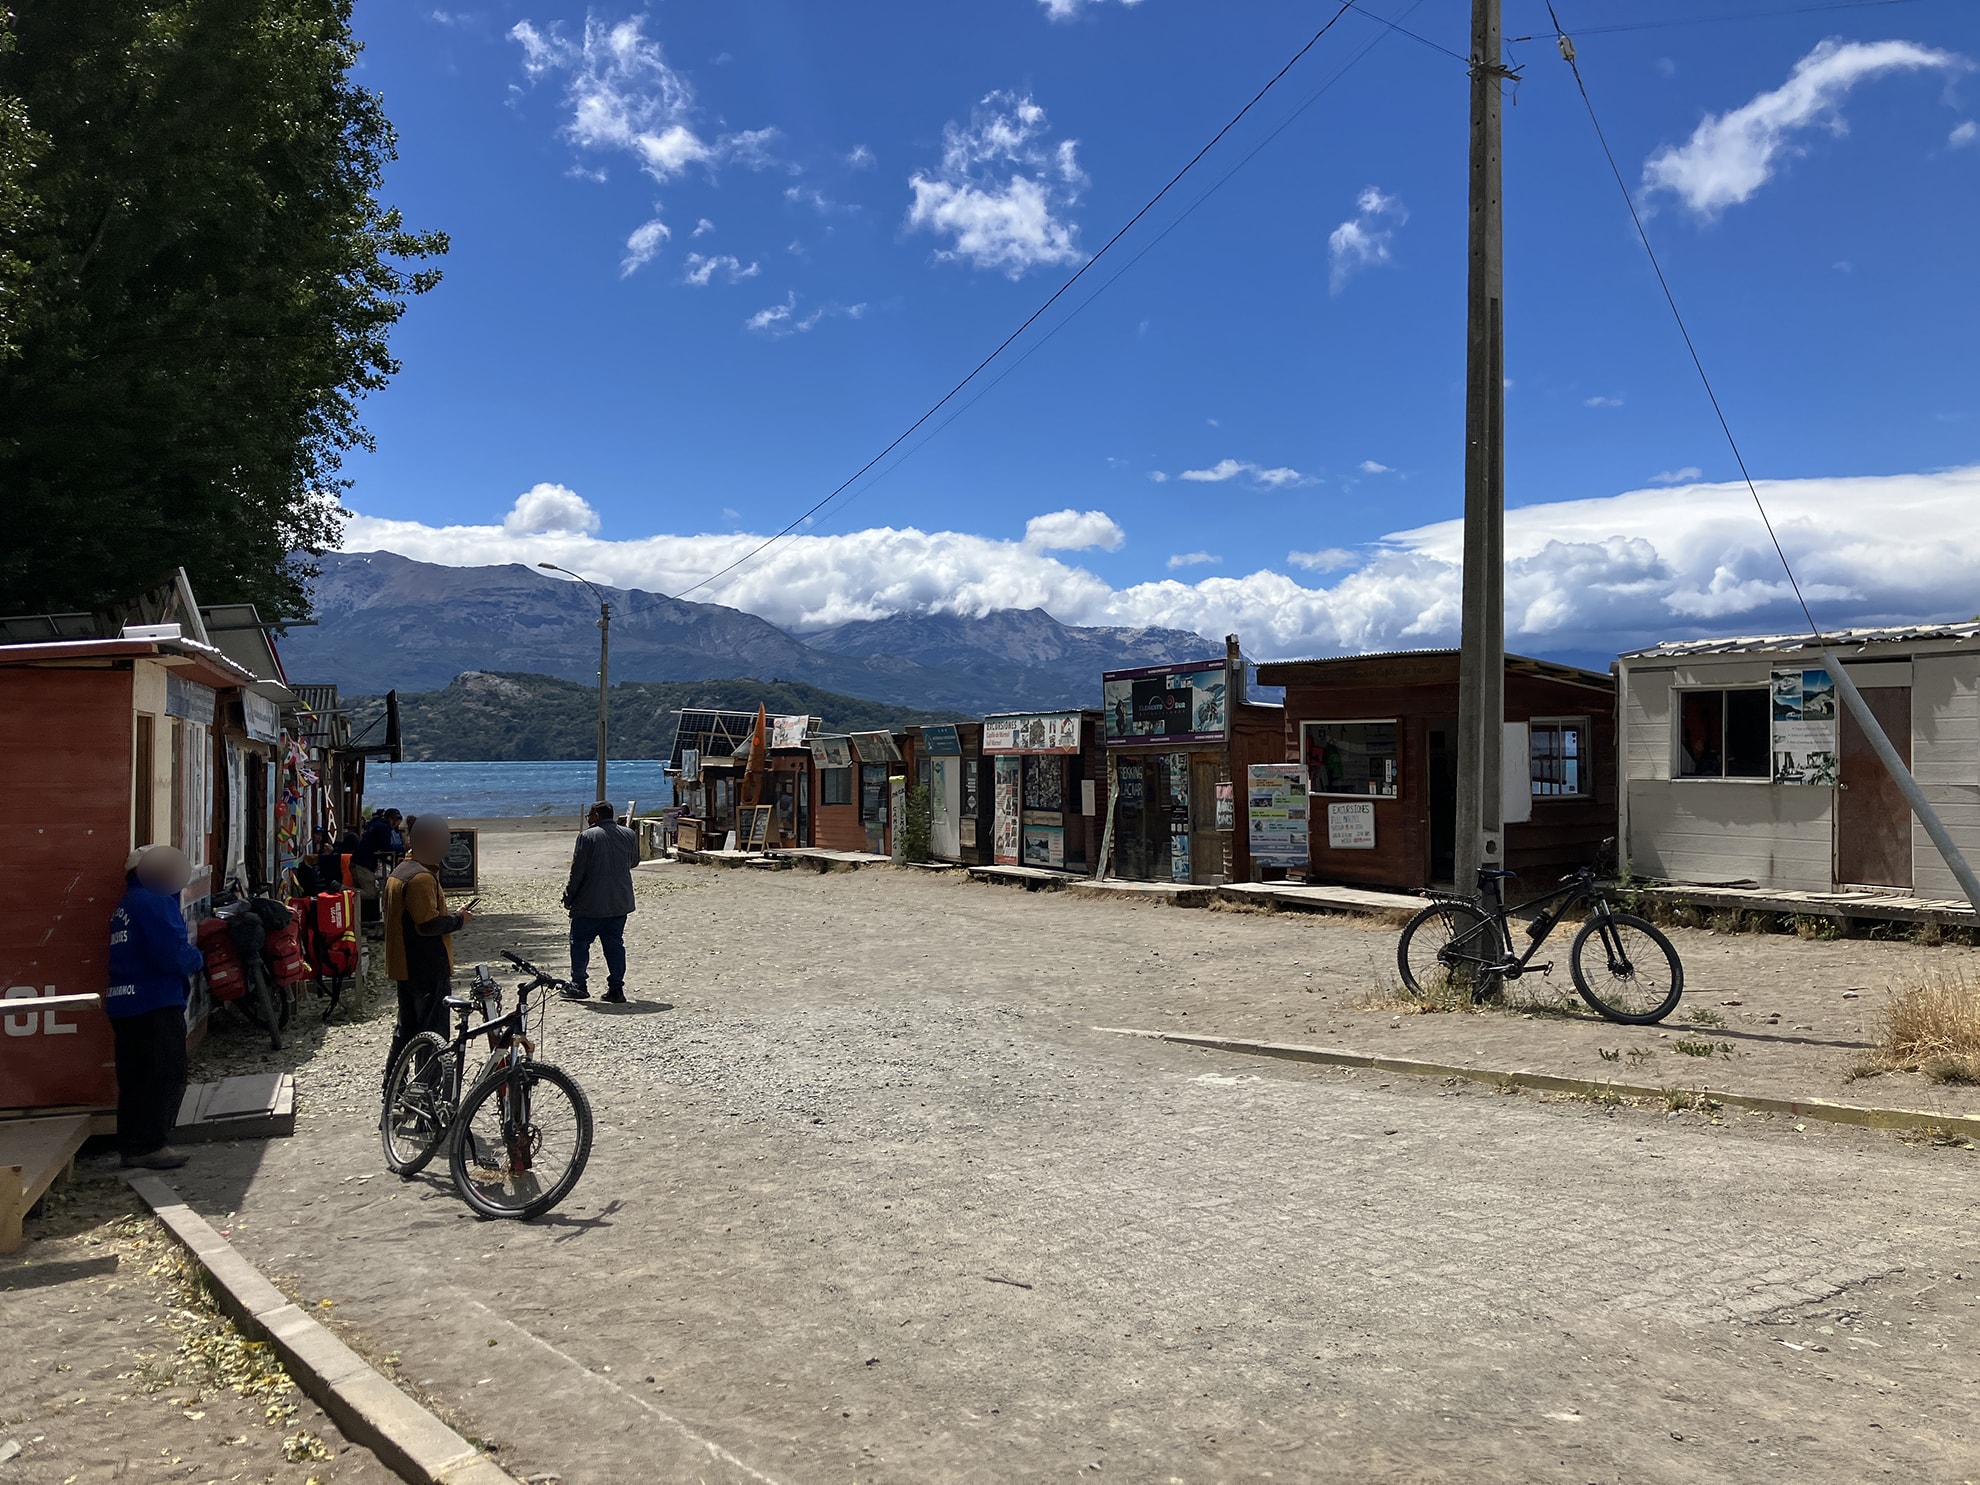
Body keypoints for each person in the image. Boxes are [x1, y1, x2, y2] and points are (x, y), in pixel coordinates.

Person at [106, 845, 205, 1170]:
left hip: (126, 1001)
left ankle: (134, 1145)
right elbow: (173, 954)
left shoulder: (129, 902)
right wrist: (197, 958)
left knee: (135, 1078)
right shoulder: (154, 900)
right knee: (163, 1074)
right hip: (154, 1001)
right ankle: (150, 1145)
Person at [383, 815, 472, 1079]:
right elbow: (428, 924)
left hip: (405, 966)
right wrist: (458, 919)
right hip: (425, 967)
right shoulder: (420, 877)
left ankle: (394, 1086)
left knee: (407, 1031)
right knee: (433, 1033)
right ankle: (427, 1087)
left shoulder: (399, 872)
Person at [562, 802, 640, 1004]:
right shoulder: (629, 834)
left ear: (596, 815)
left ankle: (579, 984)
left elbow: (577, 871)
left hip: (590, 903)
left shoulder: (587, 837)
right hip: (619, 901)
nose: (588, 818)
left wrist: (569, 896)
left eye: (589, 815)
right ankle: (616, 988)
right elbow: (634, 862)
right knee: (614, 945)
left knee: (579, 944)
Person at [351, 808, 403, 900]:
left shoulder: (376, 824)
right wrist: (402, 848)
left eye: (397, 820)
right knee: (371, 893)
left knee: (359, 894)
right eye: (393, 819)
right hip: (362, 865)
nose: (394, 823)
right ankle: (339, 889)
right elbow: (386, 848)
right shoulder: (384, 828)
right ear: (387, 818)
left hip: (358, 862)